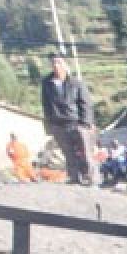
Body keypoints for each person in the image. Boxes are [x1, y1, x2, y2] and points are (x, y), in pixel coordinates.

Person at [40, 53, 99, 186]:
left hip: (77, 123)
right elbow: (46, 105)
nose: (56, 65)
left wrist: (86, 123)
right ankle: (74, 178)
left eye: (59, 62)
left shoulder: (76, 83)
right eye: (53, 63)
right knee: (69, 154)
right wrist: (49, 126)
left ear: (65, 65)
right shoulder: (47, 84)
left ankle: (91, 179)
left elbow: (85, 103)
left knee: (86, 154)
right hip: (59, 125)